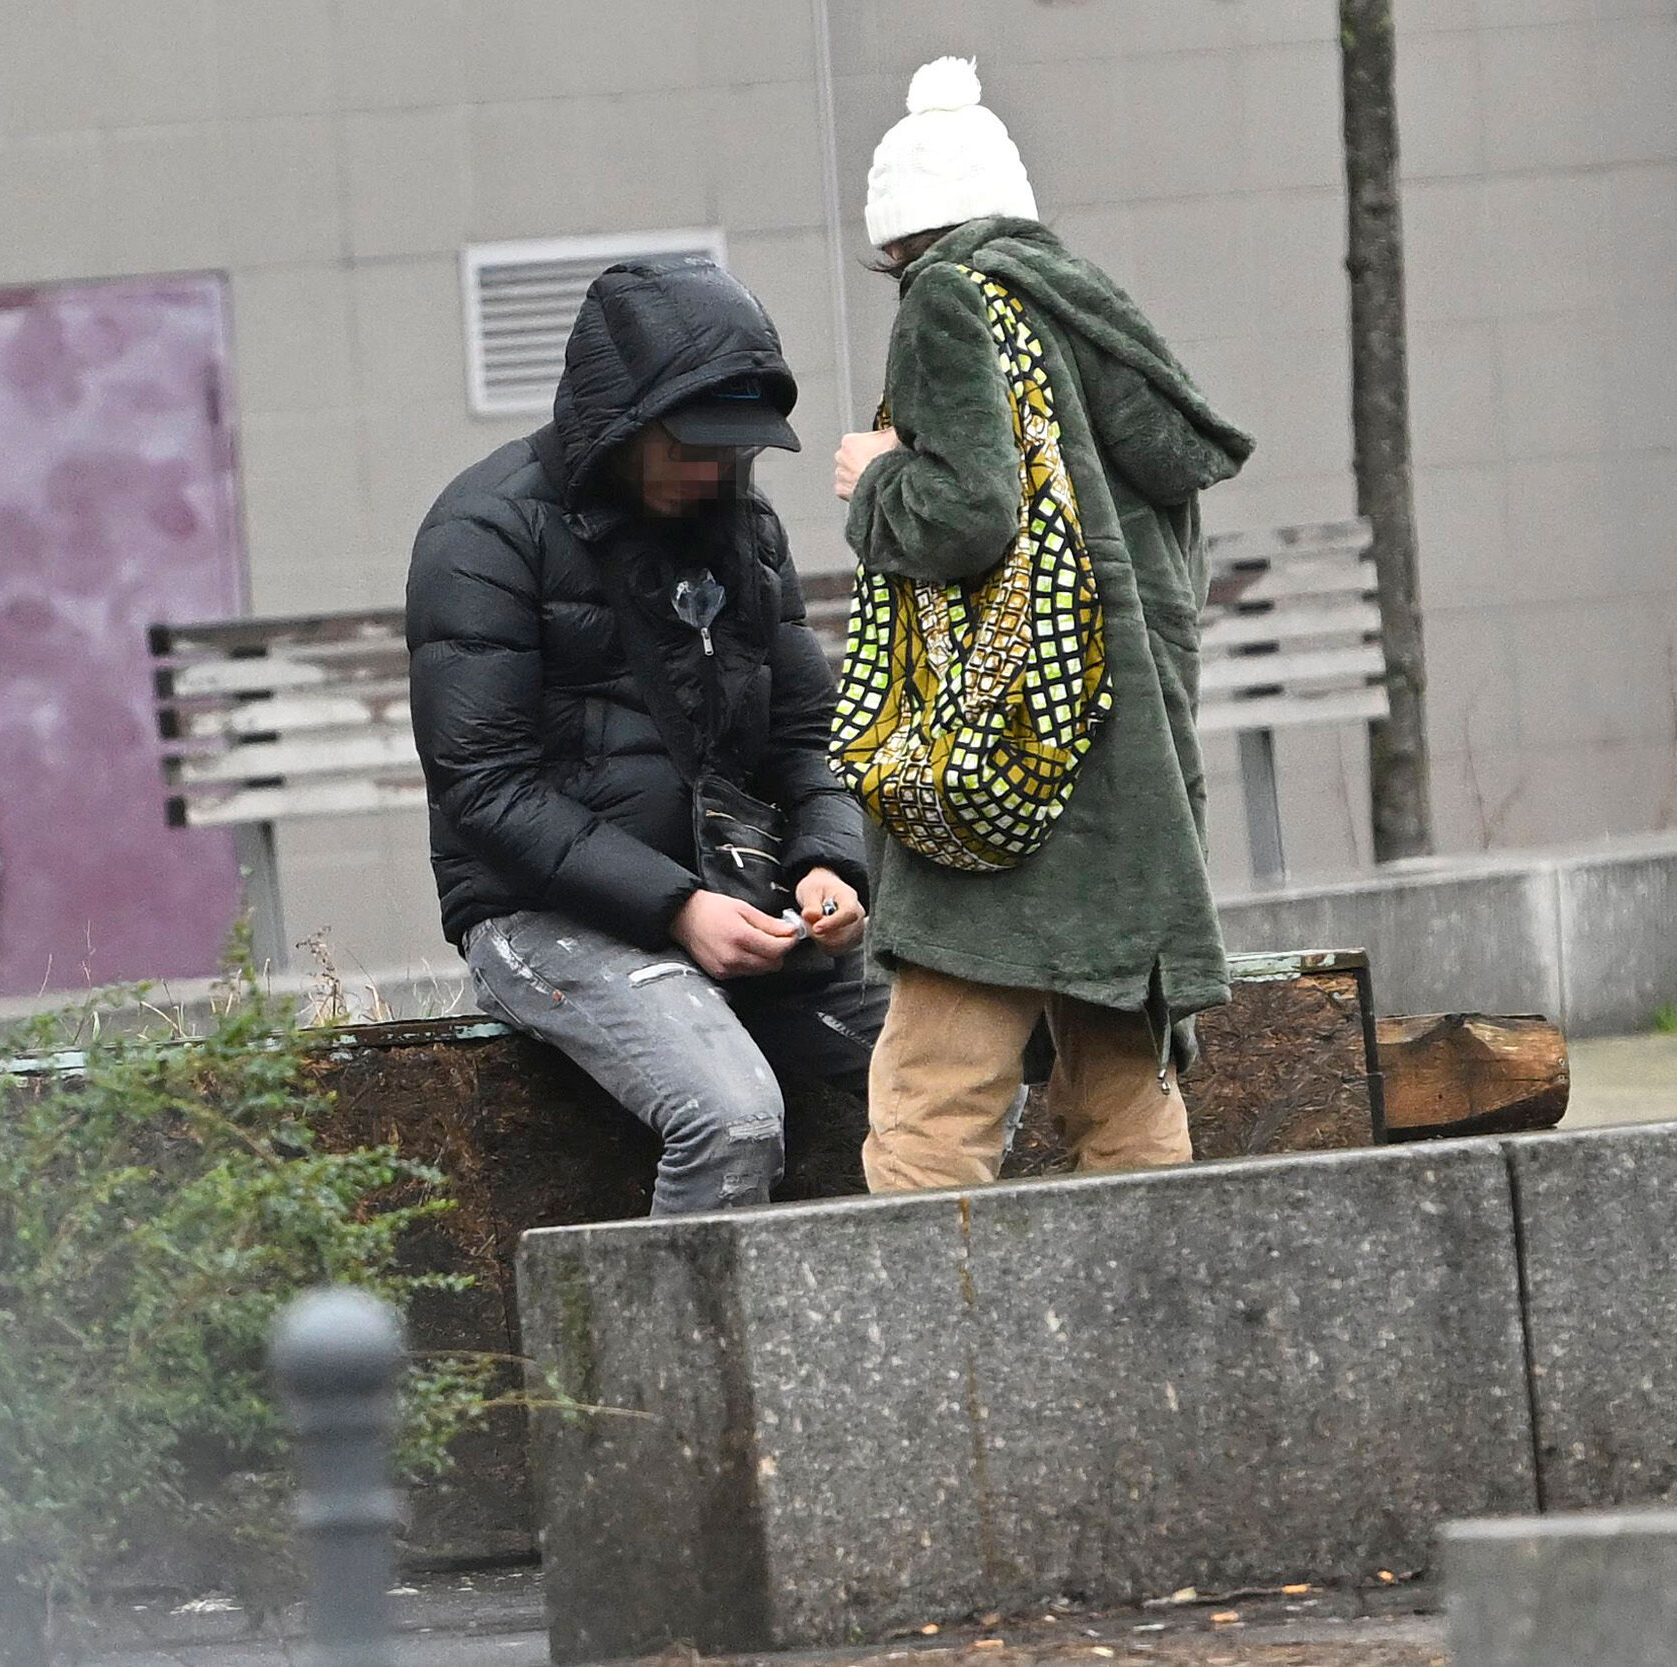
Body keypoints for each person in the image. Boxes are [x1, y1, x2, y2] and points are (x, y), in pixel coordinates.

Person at [834, 58, 1256, 1192]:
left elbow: (968, 515)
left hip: (1010, 769)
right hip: (1129, 783)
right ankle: (1162, 1301)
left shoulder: (949, 300)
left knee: (935, 1093)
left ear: (901, 236)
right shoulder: (1096, 322)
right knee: (1123, 1096)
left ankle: (926, 1312)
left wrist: (877, 480)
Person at [409, 254, 880, 1216]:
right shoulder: (484, 532)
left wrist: (830, 866)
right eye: (690, 445)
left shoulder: (745, 530)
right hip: (541, 914)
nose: (712, 471)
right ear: (619, 420)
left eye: (733, 450)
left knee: (955, 1078)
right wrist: (675, 909)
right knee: (732, 1120)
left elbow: (808, 738)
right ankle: (675, 1327)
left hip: (738, 903)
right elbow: (485, 786)